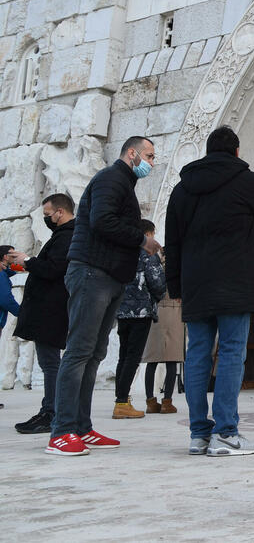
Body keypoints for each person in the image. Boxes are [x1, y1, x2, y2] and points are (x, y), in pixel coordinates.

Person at [166, 126, 254, 457]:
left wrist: (175, 286)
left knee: (196, 356)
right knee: (232, 353)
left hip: (195, 284)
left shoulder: (182, 189)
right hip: (234, 283)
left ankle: (198, 434)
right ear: (236, 152)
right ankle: (226, 433)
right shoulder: (245, 180)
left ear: (207, 152)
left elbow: (173, 243)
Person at [47, 136, 161, 457]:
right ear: (131, 152)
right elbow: (102, 221)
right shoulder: (112, 178)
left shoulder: (125, 184)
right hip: (92, 272)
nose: (151, 163)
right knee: (79, 351)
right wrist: (142, 240)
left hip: (110, 277)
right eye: (149, 156)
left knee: (95, 353)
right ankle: (62, 430)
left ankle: (81, 428)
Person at [11, 193, 75, 434]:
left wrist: (28, 260)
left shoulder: (67, 236)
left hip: (52, 310)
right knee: (48, 362)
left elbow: (53, 269)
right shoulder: (61, 235)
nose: (46, 218)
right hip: (48, 309)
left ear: (60, 212)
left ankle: (52, 413)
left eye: (48, 214)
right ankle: (49, 410)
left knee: (50, 364)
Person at [113, 219, 166, 419]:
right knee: (133, 357)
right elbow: (158, 284)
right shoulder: (148, 254)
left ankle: (121, 396)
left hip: (122, 310)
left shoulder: (123, 253)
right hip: (140, 311)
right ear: (148, 234)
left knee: (123, 356)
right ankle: (121, 403)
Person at [141, 285, 184, 415]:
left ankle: (150, 402)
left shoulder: (154, 266)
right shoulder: (176, 267)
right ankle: (167, 402)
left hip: (156, 309)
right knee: (172, 359)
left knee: (152, 360)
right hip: (175, 308)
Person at [0, 246, 20, 410]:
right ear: (5, 257)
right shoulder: (0, 275)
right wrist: (22, 313)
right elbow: (6, 299)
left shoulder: (3, 272)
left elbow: (14, 270)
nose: (16, 255)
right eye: (13, 253)